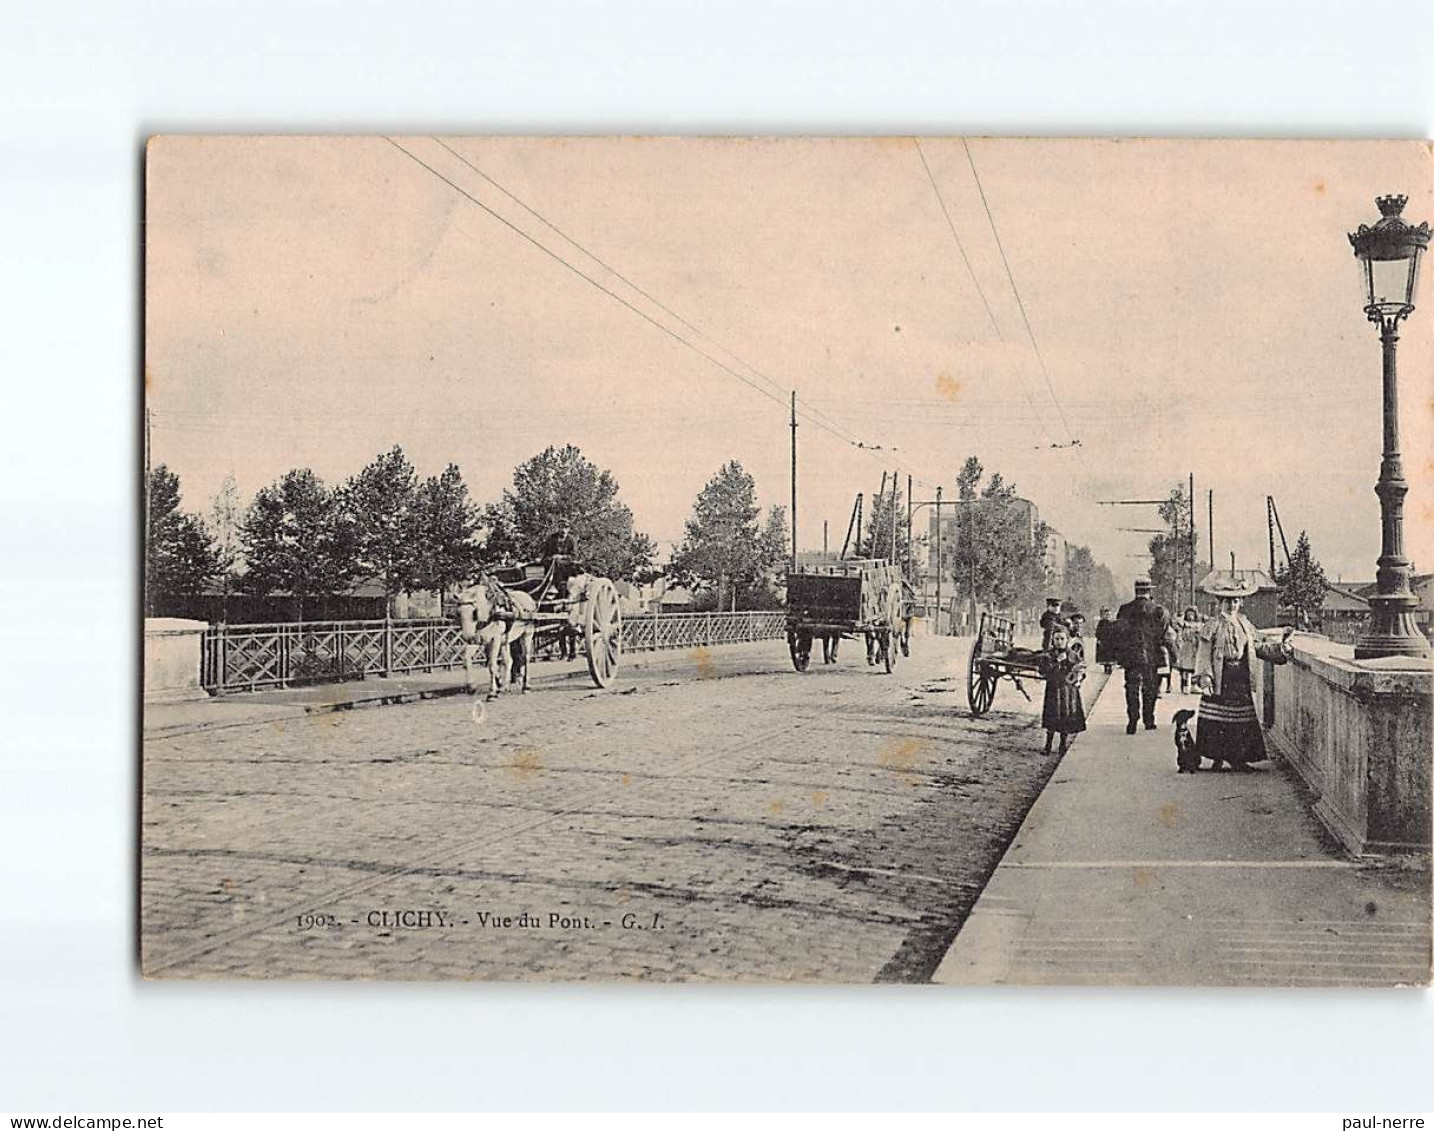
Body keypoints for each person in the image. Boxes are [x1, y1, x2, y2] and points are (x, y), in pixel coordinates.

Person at [1193, 581, 1293, 771]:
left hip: (1239, 676)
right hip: (1221, 675)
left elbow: (1258, 646)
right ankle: (1217, 756)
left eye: (1236, 601)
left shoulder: (1245, 624)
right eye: (1228, 601)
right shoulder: (1213, 625)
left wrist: (1282, 649)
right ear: (1220, 602)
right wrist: (1205, 677)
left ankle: (1237, 758)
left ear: (1240, 603)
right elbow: (1204, 653)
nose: (1232, 605)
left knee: (1239, 717)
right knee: (1217, 717)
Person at [1115, 578, 1172, 734]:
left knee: (1131, 688)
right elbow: (1165, 636)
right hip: (1152, 657)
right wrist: (1173, 655)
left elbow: (1119, 633)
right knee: (1150, 688)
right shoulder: (1159, 610)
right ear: (1150, 591)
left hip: (1131, 657)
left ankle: (1132, 720)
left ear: (1135, 591)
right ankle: (1149, 720)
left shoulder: (1125, 609)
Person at [1037, 622, 1086, 754]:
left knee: (1066, 716)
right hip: (1053, 689)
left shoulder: (1073, 655)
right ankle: (1048, 745)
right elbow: (1043, 671)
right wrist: (1057, 661)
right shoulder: (1048, 656)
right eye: (1056, 639)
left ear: (1067, 640)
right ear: (1052, 640)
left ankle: (1063, 744)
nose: (1059, 642)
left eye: (1062, 639)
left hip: (1068, 691)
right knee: (1052, 716)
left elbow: (1081, 671)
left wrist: (1079, 678)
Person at [1173, 605, 1203, 693]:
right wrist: (1179, 643)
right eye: (1189, 614)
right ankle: (1184, 685)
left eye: (1192, 615)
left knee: (1193, 667)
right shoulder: (1183, 625)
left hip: (1193, 647)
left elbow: (1199, 636)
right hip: (1185, 647)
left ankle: (1193, 685)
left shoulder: (1197, 625)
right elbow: (1179, 634)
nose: (1190, 617)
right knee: (1184, 668)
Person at [1094, 606, 1117, 674]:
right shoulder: (1101, 623)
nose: (1108, 616)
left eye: (1109, 615)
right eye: (1106, 614)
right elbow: (1098, 632)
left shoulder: (1113, 623)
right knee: (1104, 654)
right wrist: (1099, 638)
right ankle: (1106, 667)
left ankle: (1109, 667)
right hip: (1104, 641)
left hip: (1111, 641)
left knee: (1110, 655)